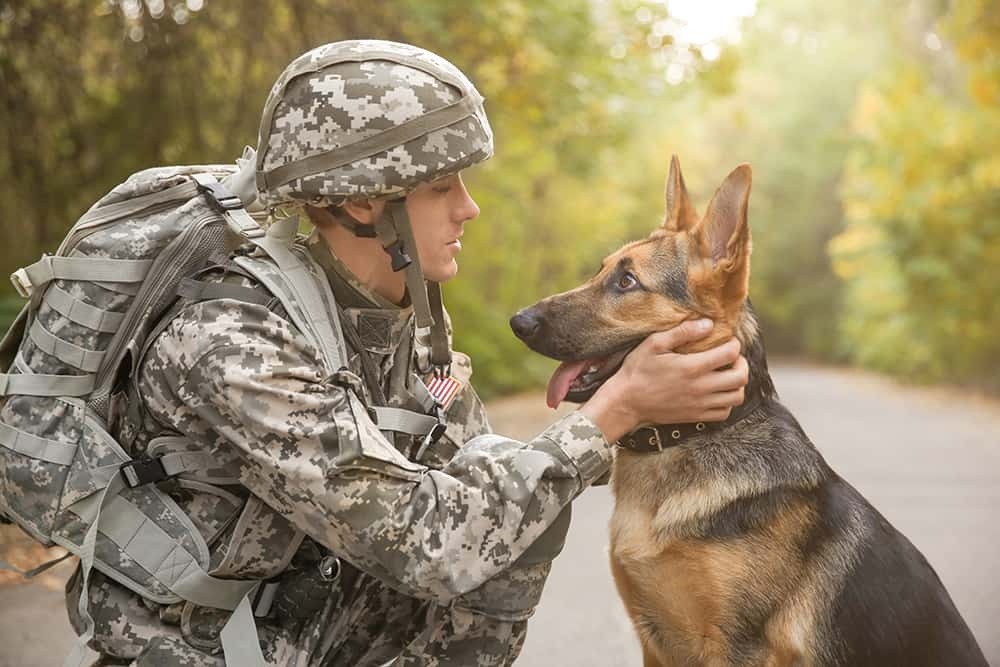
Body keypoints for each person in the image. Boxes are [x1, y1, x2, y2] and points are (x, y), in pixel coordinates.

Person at [67, 40, 748, 666]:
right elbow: (424, 542)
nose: (469, 208)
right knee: (497, 512)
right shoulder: (232, 343)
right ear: (367, 202)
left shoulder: (398, 321)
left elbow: (481, 482)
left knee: (512, 497)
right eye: (441, 186)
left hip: (309, 629)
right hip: (204, 650)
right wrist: (615, 411)